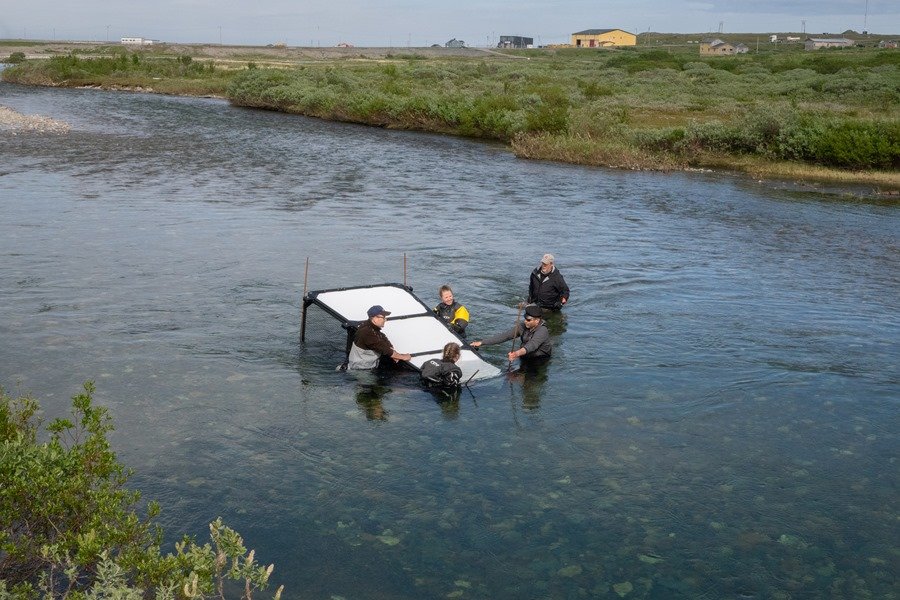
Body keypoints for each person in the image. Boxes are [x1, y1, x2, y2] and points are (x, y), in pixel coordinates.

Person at [471, 304, 551, 362]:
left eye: (529, 320)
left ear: (537, 320)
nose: (525, 321)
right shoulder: (523, 326)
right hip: (524, 355)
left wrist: (516, 354)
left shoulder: (542, 331)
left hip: (539, 359)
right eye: (525, 318)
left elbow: (532, 346)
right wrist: (482, 342)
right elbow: (506, 336)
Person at [347, 305, 412, 370]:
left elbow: (383, 339)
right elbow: (384, 349)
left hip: (366, 366)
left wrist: (394, 353)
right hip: (360, 370)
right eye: (383, 317)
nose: (385, 320)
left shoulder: (371, 327)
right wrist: (403, 357)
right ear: (374, 318)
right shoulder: (366, 332)